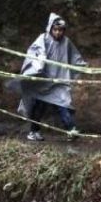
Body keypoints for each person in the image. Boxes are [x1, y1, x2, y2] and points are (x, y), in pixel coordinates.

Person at [15, 13, 88, 141]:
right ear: (50, 29)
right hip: (44, 81)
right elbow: (34, 53)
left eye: (60, 30)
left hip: (59, 80)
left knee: (64, 104)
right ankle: (34, 132)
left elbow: (75, 57)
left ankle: (71, 130)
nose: (58, 32)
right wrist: (40, 62)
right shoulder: (43, 39)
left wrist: (82, 66)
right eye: (55, 30)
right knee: (39, 107)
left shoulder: (66, 42)